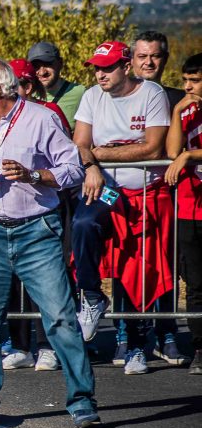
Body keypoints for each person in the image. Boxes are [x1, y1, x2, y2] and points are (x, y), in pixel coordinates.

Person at [0, 56, 98, 428]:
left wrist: (34, 175)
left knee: (61, 318)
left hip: (37, 231)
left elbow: (72, 169)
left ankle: (82, 401)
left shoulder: (41, 118)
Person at [73, 40, 173, 375]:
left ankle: (137, 346)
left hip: (145, 194)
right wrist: (91, 165)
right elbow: (80, 143)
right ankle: (91, 295)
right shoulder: (91, 96)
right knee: (83, 224)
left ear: (126, 67)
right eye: (96, 68)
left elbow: (153, 147)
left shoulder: (152, 93)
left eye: (107, 68)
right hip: (108, 192)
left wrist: (102, 153)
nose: (100, 74)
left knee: (137, 268)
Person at [0, 58, 72, 372]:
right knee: (12, 278)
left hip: (44, 207)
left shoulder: (48, 113)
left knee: (43, 279)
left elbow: (66, 162)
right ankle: (19, 345)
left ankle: (47, 345)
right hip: (7, 210)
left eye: (10, 87)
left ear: (28, 87)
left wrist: (33, 175)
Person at [131, 30, 187, 357]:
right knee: (128, 263)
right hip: (127, 195)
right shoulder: (115, 96)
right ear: (131, 60)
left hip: (169, 196)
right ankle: (128, 336)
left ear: (165, 59)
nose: (149, 62)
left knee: (166, 266)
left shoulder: (179, 97)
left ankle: (167, 333)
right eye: (142, 56)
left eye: (155, 56)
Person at [165, 52, 202, 375]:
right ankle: (200, 346)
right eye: (185, 80)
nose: (188, 87)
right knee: (195, 281)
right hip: (190, 207)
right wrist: (177, 111)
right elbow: (172, 151)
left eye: (195, 81)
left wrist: (190, 155)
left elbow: (183, 154)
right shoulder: (186, 110)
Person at [27, 41, 87, 129]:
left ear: (60, 63)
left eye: (48, 64)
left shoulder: (81, 93)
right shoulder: (26, 96)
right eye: (36, 66)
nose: (42, 72)